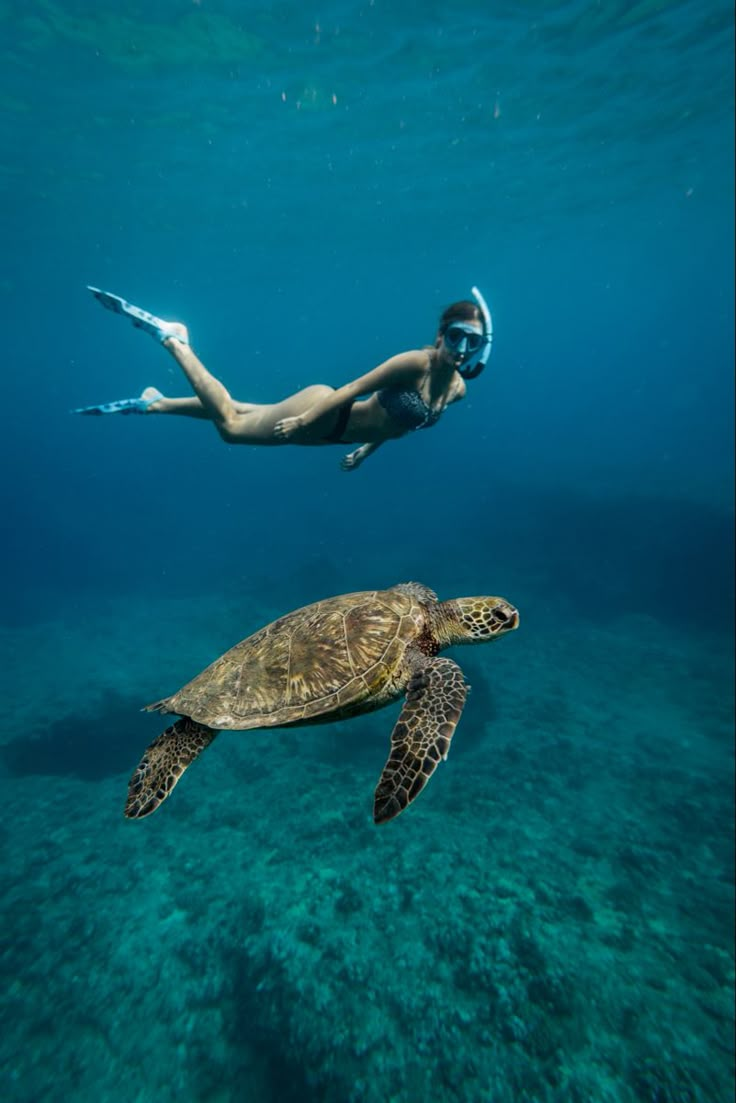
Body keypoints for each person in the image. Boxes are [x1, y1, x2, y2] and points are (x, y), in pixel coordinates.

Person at [74, 285, 493, 471]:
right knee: (233, 429)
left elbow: (402, 424)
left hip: (337, 435)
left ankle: (154, 403)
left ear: (478, 348)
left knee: (238, 409)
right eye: (454, 336)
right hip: (326, 412)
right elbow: (351, 390)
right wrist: (306, 421)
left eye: (470, 342)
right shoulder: (414, 363)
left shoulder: (457, 390)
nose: (460, 347)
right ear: (440, 335)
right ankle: (175, 340)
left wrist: (366, 452)